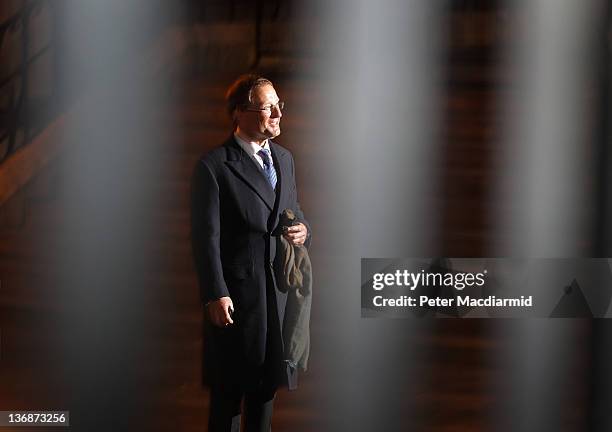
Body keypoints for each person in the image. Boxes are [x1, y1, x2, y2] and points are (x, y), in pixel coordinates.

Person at [191, 74, 310, 432]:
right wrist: (215, 292)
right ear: (239, 113)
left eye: (279, 106)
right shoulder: (214, 166)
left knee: (265, 393)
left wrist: (304, 229)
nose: (277, 114)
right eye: (267, 107)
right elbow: (205, 237)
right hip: (238, 300)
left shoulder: (285, 159)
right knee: (229, 396)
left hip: (277, 294)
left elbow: (293, 208)